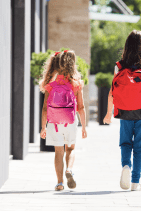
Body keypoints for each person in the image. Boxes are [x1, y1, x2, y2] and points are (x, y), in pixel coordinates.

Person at [103, 30, 141, 191]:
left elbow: (112, 92)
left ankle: (126, 165)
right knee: (140, 147)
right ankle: (135, 182)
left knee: (125, 143)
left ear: (127, 46)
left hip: (124, 111)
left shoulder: (119, 66)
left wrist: (109, 113)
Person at [40, 50, 87, 191]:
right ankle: (69, 170)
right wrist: (84, 127)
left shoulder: (50, 85)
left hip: (54, 123)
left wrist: (43, 128)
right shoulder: (76, 84)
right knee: (70, 149)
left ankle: (60, 183)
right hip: (70, 122)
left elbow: (44, 109)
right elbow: (81, 107)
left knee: (58, 152)